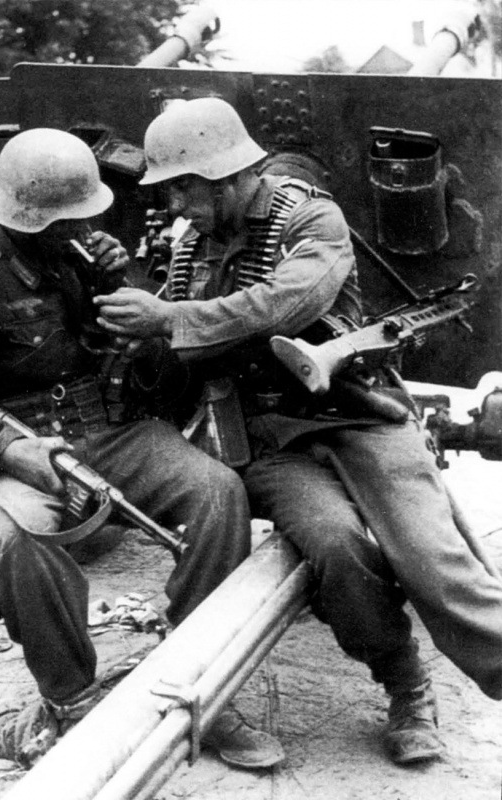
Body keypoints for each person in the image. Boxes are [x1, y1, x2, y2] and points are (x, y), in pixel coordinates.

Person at [94, 97, 502, 766]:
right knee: (337, 546)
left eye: (184, 188)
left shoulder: (311, 218)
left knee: (433, 560)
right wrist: (136, 330)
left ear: (225, 176)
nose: (176, 205)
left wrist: (169, 319)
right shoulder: (191, 245)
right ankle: (405, 683)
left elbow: (288, 302)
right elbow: (182, 355)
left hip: (356, 414)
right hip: (268, 436)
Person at [0, 127, 283, 770]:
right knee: (26, 537)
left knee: (218, 492)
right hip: (17, 449)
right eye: (68, 220)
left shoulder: (74, 257)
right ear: (28, 220)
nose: (84, 228)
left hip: (109, 431)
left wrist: (118, 282)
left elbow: (128, 352)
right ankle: (72, 700)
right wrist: (9, 454)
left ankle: (197, 675)